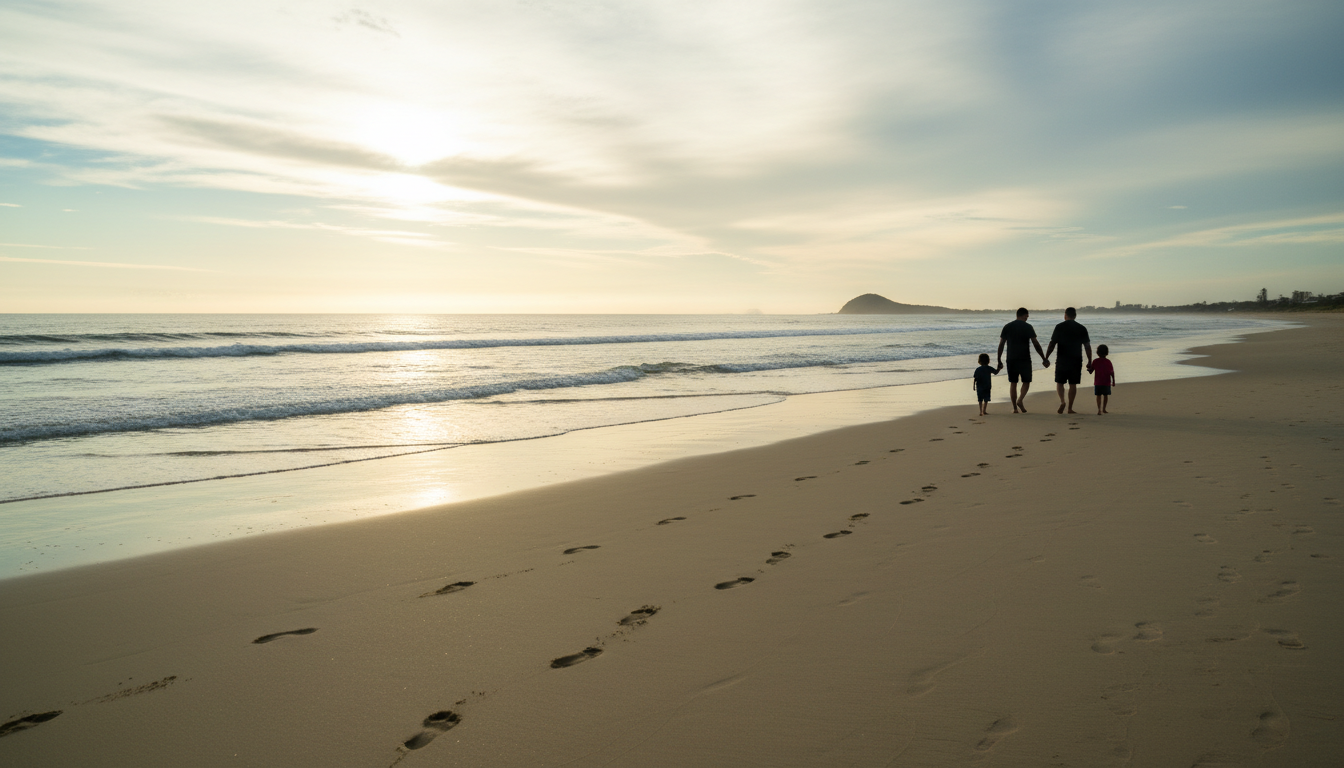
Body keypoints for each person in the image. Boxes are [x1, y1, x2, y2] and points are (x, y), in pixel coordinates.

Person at [997, 307, 1049, 413]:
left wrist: (999, 359)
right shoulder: (1028, 327)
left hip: (1011, 359)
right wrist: (1043, 358)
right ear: (1022, 315)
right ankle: (1020, 400)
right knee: (1026, 381)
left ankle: (1015, 408)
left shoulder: (1007, 326)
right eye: (1027, 316)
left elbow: (1001, 344)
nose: (1027, 318)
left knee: (1013, 383)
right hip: (1024, 358)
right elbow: (1036, 344)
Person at [1044, 307, 1092, 415]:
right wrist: (1090, 361)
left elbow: (1052, 344)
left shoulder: (1059, 327)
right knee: (1073, 384)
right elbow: (1087, 346)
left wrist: (1046, 357)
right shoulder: (1081, 328)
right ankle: (1070, 408)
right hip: (1076, 360)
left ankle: (1062, 401)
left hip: (1062, 359)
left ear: (1065, 315)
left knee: (1060, 382)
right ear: (1075, 316)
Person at [1089, 344, 1116, 414]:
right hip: (1106, 382)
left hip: (1098, 382)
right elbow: (1112, 372)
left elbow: (1091, 371)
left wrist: (1088, 368)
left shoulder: (1095, 361)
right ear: (1107, 353)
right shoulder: (1108, 362)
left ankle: (1099, 410)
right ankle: (1104, 409)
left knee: (1098, 396)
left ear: (1097, 352)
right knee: (1105, 395)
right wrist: (1113, 381)